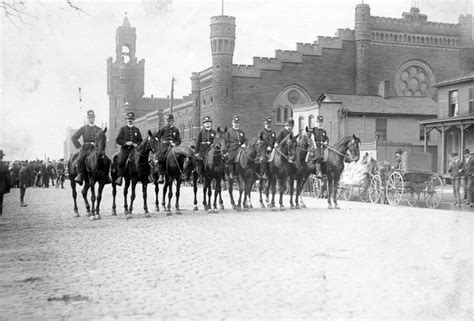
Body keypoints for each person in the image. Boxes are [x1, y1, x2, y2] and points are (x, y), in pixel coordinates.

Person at [71, 110, 103, 185]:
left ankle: (106, 176)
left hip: (96, 148)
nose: (91, 119)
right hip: (86, 148)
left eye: (92, 117)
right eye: (89, 118)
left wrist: (98, 145)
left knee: (105, 159)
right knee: (80, 159)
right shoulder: (83, 128)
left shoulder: (99, 129)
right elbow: (74, 137)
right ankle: (79, 175)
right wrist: (79, 147)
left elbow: (102, 140)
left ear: (94, 118)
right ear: (87, 118)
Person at [115, 112, 143, 186]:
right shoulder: (123, 129)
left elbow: (140, 140)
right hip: (125, 149)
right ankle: (120, 177)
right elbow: (118, 139)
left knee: (141, 160)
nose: (130, 120)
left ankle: (141, 176)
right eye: (128, 119)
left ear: (133, 120)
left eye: (131, 119)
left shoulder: (136, 130)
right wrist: (126, 143)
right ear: (126, 120)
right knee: (121, 160)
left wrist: (136, 144)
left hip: (134, 150)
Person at [154, 114, 181, 184]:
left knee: (180, 158)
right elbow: (157, 137)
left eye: (169, 121)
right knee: (160, 158)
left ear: (173, 121)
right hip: (164, 147)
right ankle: (160, 176)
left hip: (173, 147)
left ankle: (180, 175)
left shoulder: (176, 130)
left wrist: (175, 143)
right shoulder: (163, 129)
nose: (168, 122)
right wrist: (159, 144)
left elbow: (179, 140)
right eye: (167, 121)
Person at [225, 115, 247, 180]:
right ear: (232, 123)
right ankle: (231, 173)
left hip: (241, 148)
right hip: (232, 149)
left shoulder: (241, 132)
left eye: (237, 123)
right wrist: (226, 151)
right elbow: (226, 142)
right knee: (231, 159)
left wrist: (244, 144)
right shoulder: (229, 131)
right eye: (235, 123)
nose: (236, 124)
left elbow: (246, 140)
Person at [195, 116, 216, 183]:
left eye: (209, 122)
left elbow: (216, 141)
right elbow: (198, 142)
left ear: (211, 123)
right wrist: (197, 152)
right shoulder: (201, 132)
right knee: (200, 161)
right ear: (204, 124)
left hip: (212, 149)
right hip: (203, 150)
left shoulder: (214, 132)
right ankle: (200, 176)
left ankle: (220, 174)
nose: (207, 124)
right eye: (206, 122)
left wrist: (213, 144)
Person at [0, 150, 11, 216]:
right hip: (1, 188)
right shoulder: (4, 166)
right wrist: (7, 189)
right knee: (0, 202)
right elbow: (8, 179)